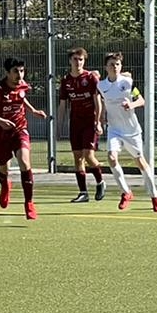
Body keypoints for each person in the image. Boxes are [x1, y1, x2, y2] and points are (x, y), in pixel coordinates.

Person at [0, 57, 47, 220]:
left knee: (24, 162)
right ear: (7, 73)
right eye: (16, 71)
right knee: (3, 168)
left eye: (22, 71)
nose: (20, 75)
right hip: (0, 134)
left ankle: (29, 203)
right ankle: (5, 185)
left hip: (19, 130)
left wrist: (33, 110)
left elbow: (21, 98)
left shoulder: (23, 85)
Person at [98, 52, 157, 212]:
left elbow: (141, 100)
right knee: (111, 157)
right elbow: (103, 103)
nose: (115, 67)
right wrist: (101, 119)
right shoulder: (101, 86)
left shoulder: (127, 83)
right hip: (114, 129)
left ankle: (155, 197)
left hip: (132, 130)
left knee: (140, 162)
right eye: (112, 64)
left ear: (121, 66)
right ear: (106, 67)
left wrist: (131, 105)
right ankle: (126, 192)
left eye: (117, 64)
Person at [58, 47, 106, 203]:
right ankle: (83, 192)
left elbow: (97, 101)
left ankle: (100, 181)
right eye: (75, 59)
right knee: (77, 158)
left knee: (88, 155)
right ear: (70, 61)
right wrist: (58, 125)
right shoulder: (66, 81)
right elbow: (63, 104)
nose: (78, 62)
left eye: (81, 59)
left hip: (90, 122)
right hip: (75, 122)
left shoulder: (91, 78)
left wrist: (98, 122)